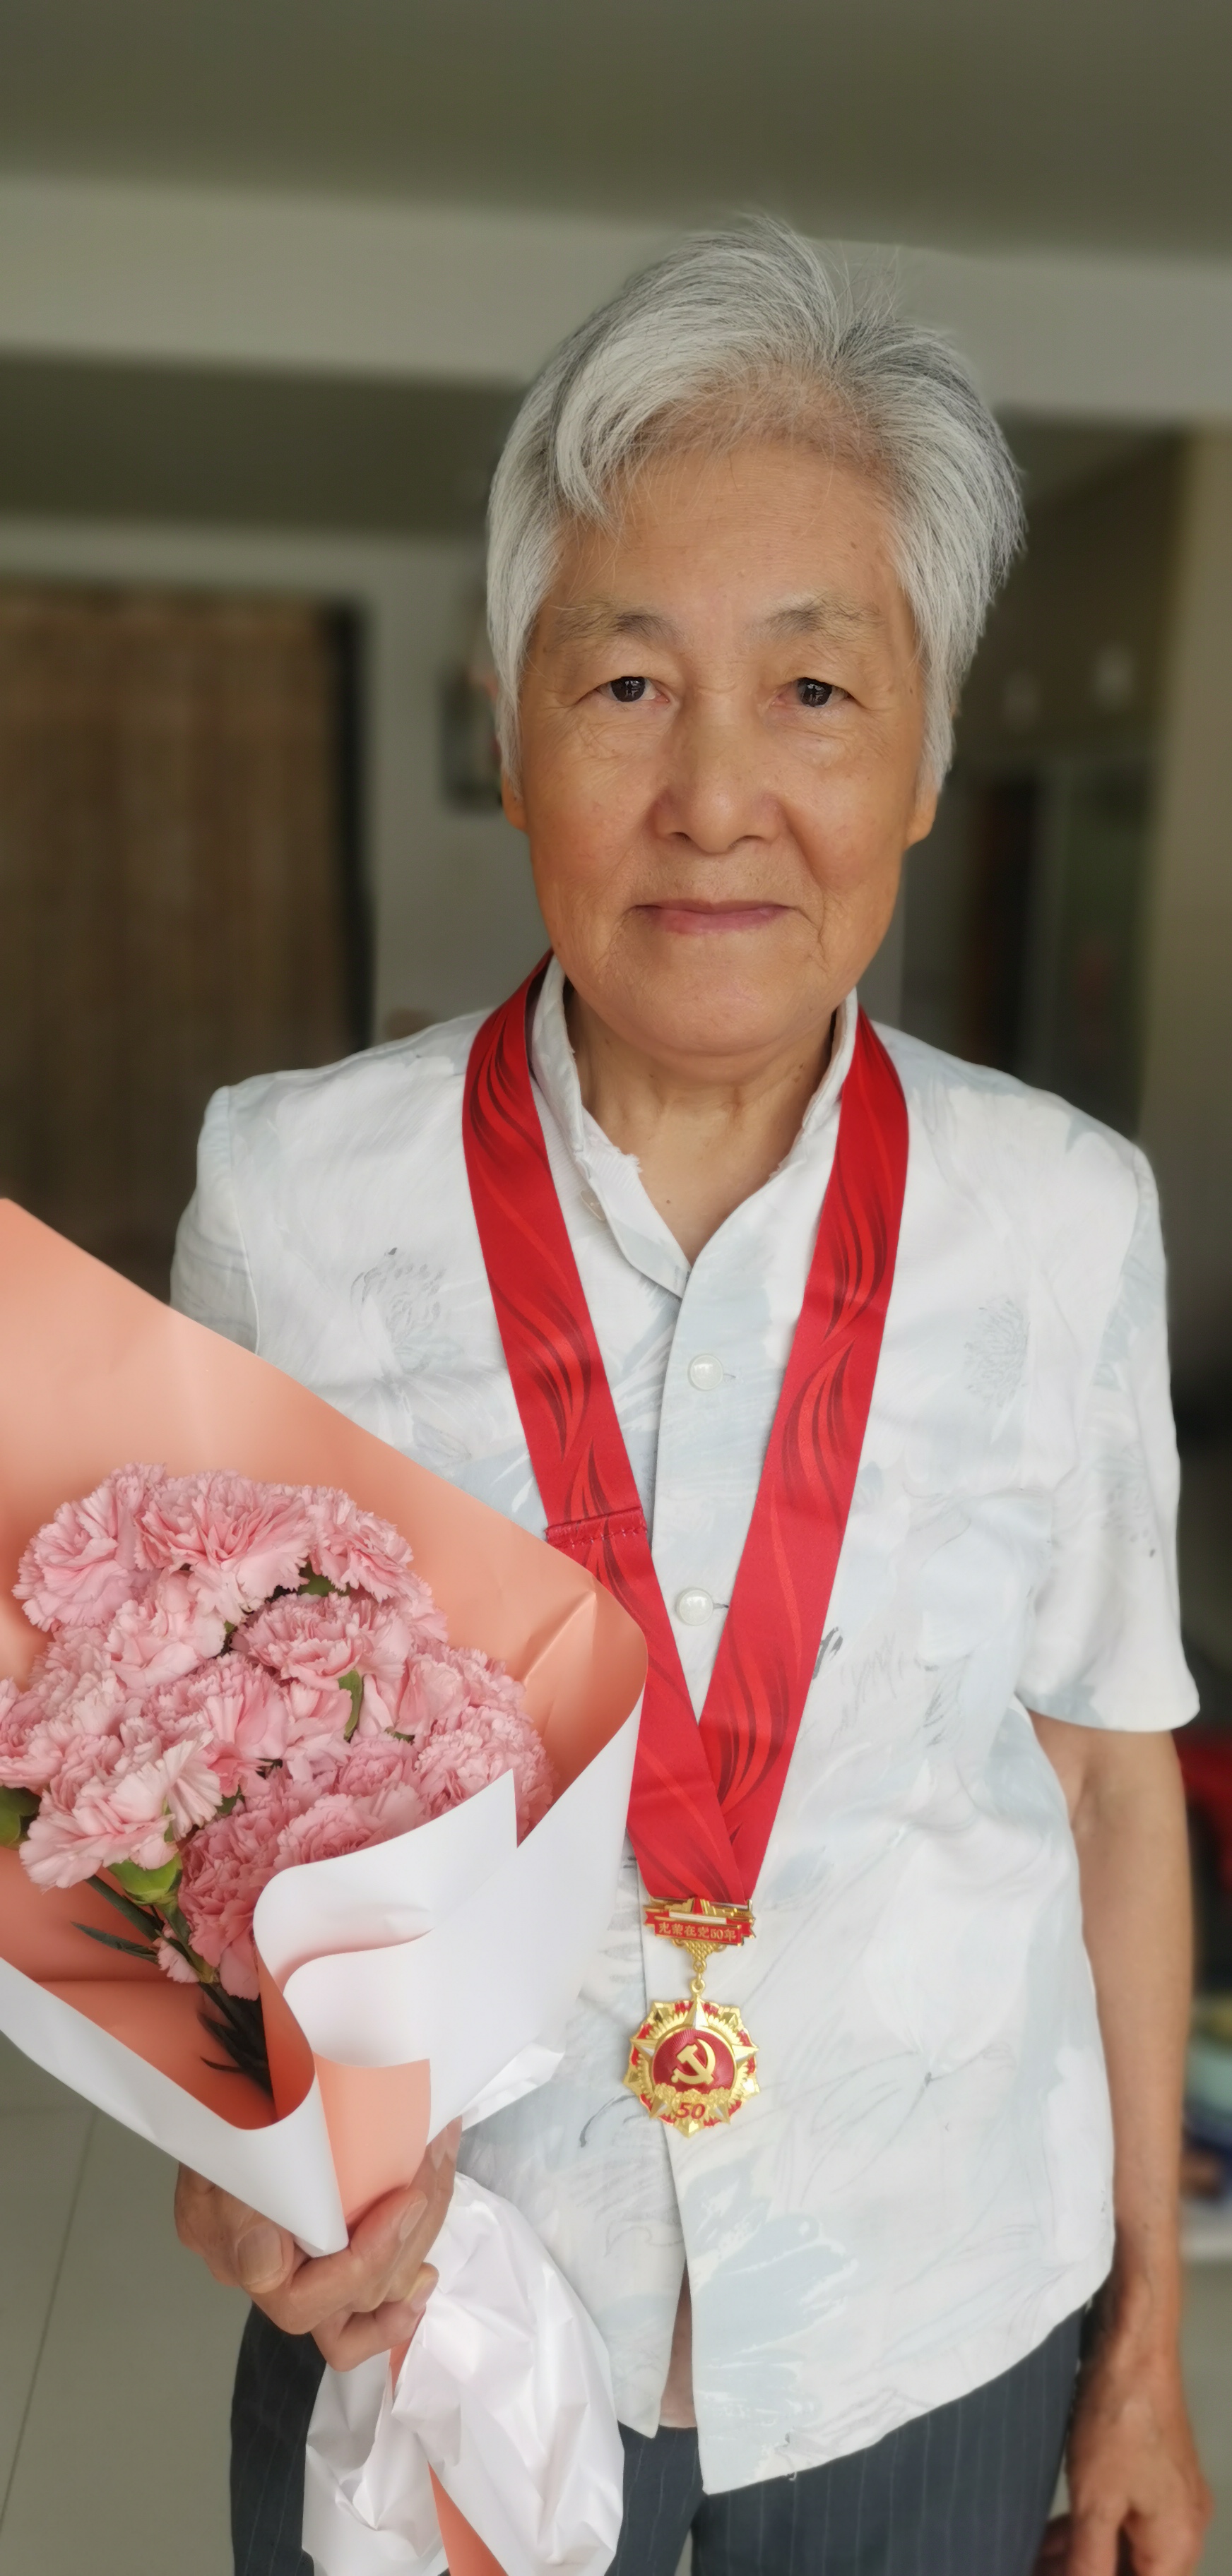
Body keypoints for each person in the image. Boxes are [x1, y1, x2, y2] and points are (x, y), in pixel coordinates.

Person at [171, 221, 1210, 2576]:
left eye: (814, 688)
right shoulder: (294, 1197)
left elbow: (1107, 1786)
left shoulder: (1062, 1218)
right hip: (437, 2322)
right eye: (628, 682)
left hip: (931, 2346)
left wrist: (1145, 2352)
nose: (717, 795)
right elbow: (188, 1819)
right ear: (511, 729)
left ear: (926, 755)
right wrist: (230, 2157)